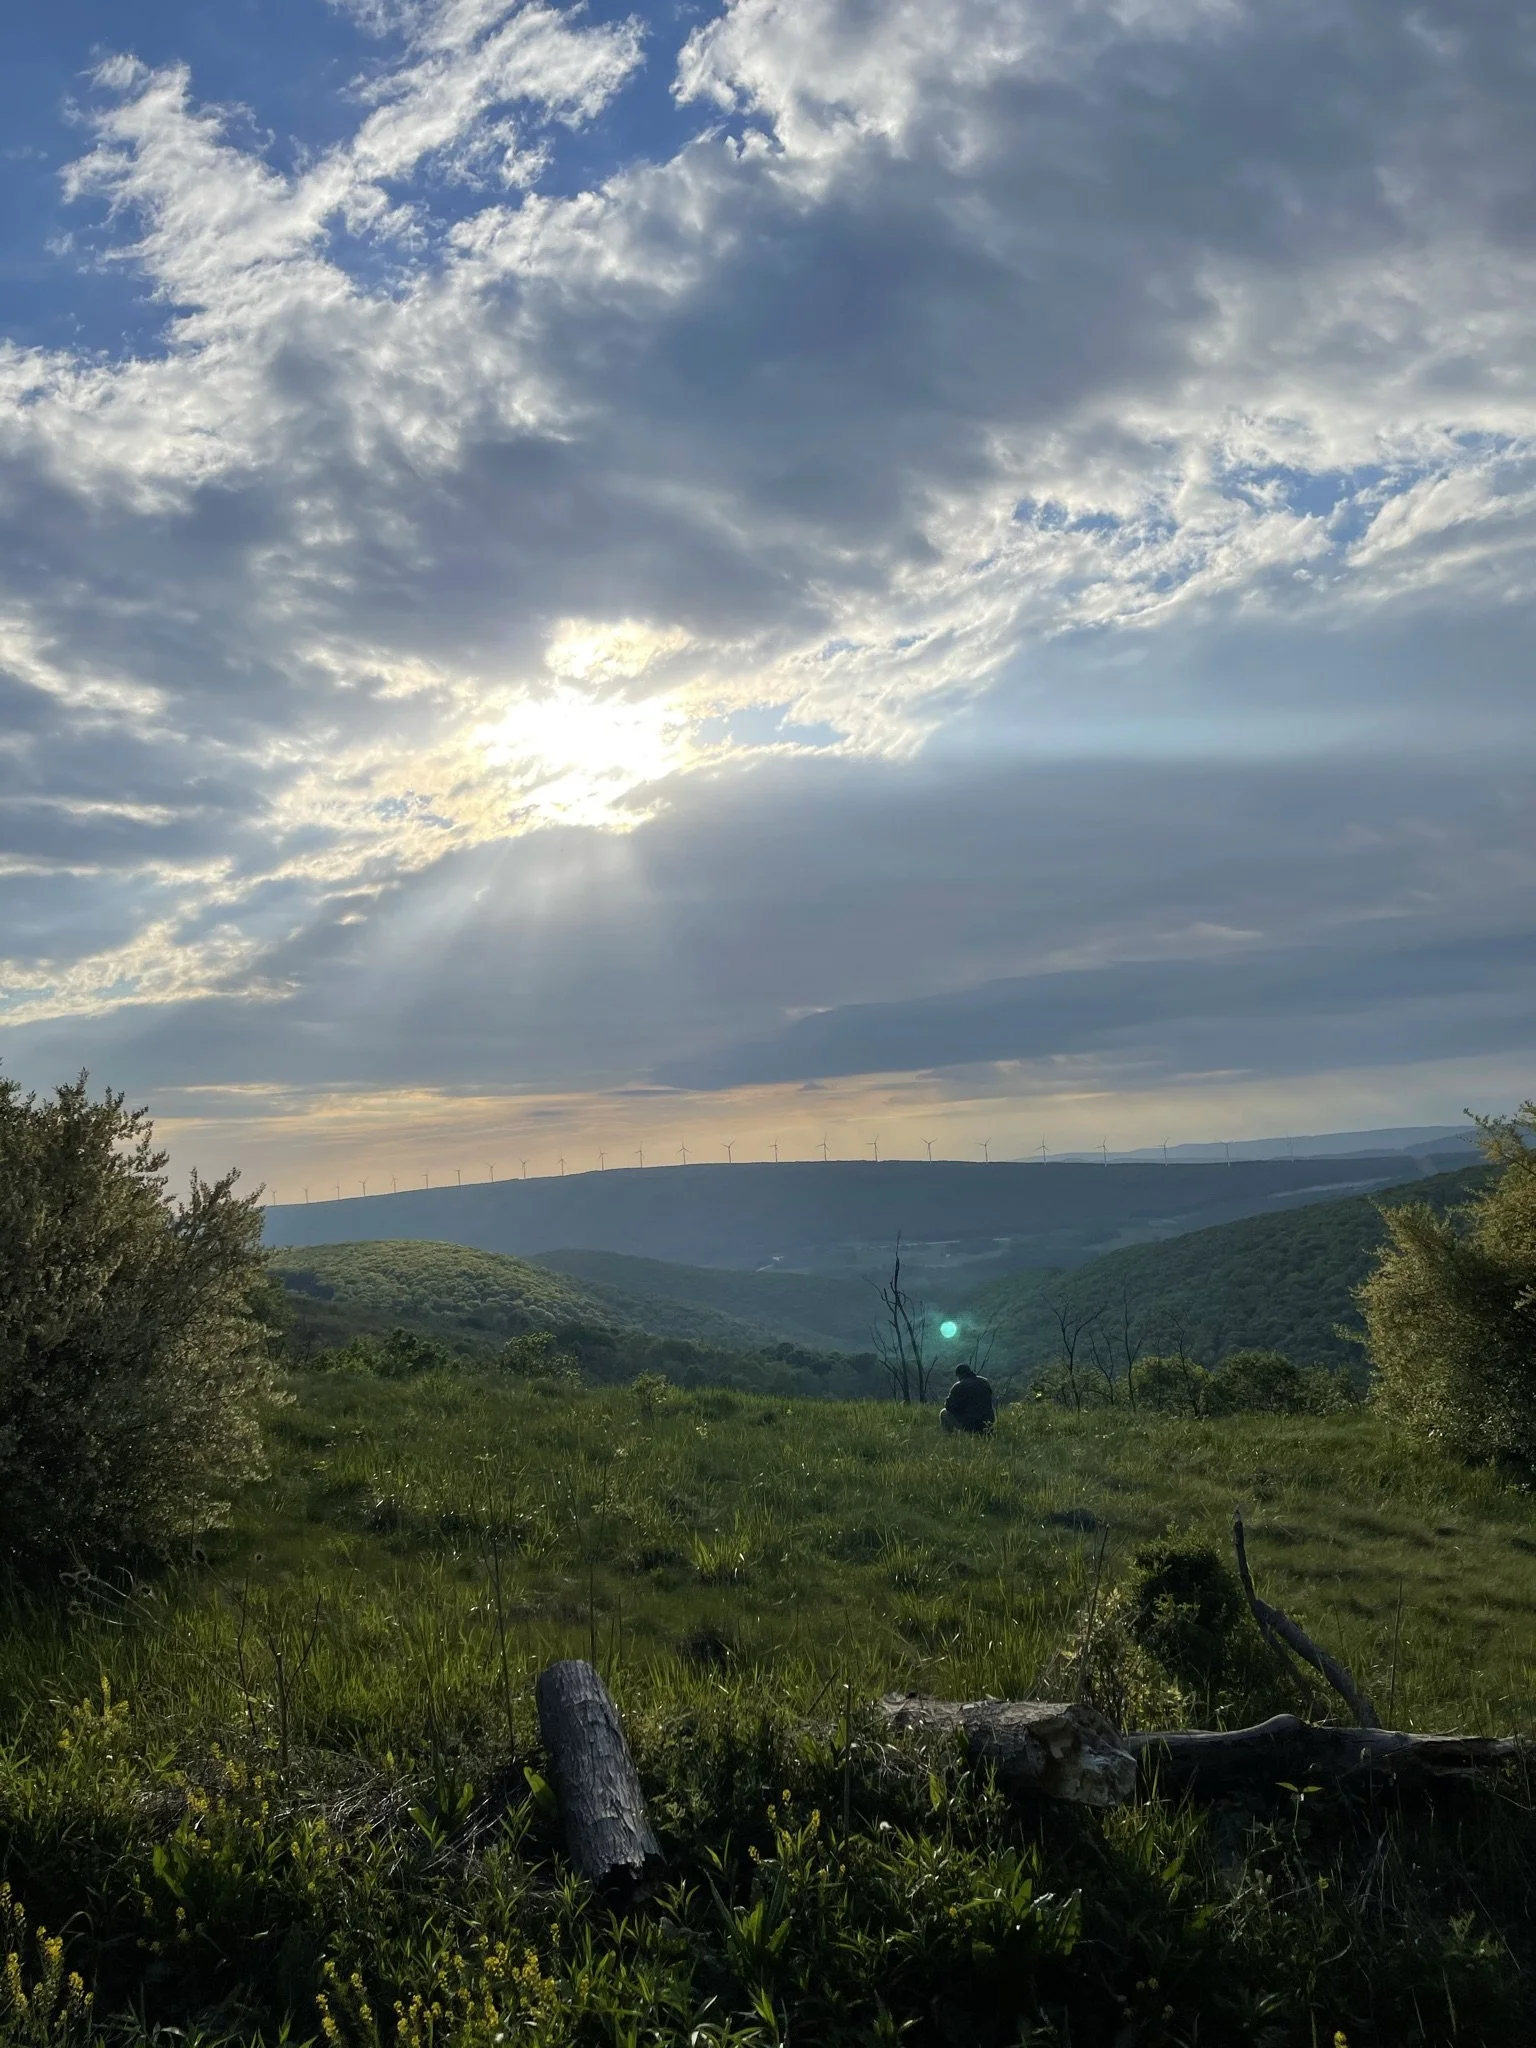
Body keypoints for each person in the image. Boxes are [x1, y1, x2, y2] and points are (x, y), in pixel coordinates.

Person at [940, 1359, 995, 1434]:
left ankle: (949, 1436)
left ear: (959, 1375)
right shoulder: (985, 1382)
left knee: (943, 1413)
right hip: (988, 1422)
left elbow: (949, 1406)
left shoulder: (958, 1386)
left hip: (970, 1424)